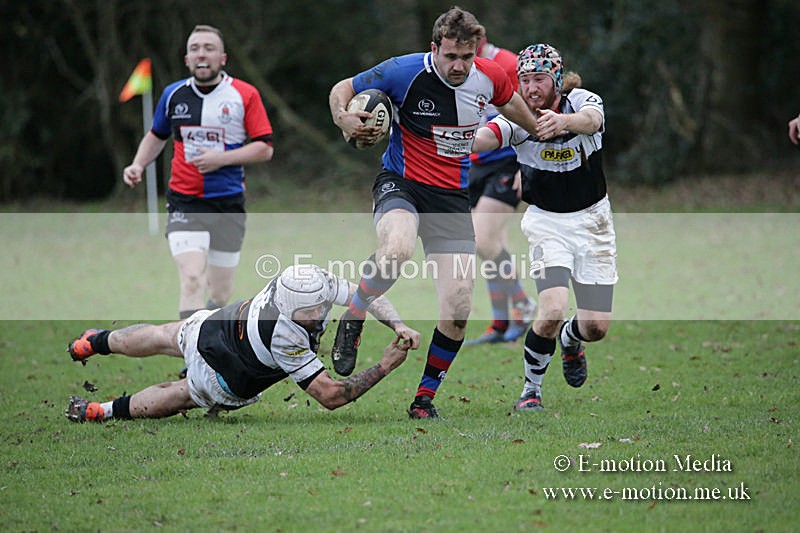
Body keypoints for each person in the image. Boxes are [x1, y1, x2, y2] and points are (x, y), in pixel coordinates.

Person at [327, 7, 541, 419]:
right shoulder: (402, 71)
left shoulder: (491, 74)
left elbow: (512, 104)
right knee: (398, 250)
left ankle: (423, 399)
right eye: (451, 57)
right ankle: (353, 317)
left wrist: (538, 130)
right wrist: (344, 118)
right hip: (401, 182)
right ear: (434, 50)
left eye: (467, 56)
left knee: (459, 309)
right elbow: (342, 88)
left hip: (450, 197)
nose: (459, 66)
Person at [65, 264, 421, 422]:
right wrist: (386, 365)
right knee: (180, 393)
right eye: (310, 313)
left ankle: (93, 343)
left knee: (161, 335)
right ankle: (104, 411)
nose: (319, 313)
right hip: (226, 376)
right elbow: (330, 396)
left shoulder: (304, 282)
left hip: (215, 326)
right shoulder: (286, 336)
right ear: (290, 309)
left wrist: (398, 323)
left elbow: (366, 295)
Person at [472, 43, 618, 411]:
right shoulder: (518, 118)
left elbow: (593, 120)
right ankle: (530, 391)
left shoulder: (581, 100)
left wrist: (563, 123)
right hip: (546, 222)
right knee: (551, 308)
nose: (531, 87)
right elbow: (484, 137)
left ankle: (571, 340)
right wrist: (450, 134)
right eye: (524, 80)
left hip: (593, 221)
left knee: (596, 327)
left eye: (538, 78)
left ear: (556, 78)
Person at [123, 25, 274, 319]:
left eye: (208, 48)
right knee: (192, 278)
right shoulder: (173, 95)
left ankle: (203, 337)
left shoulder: (244, 94)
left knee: (220, 292)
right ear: (187, 59)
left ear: (223, 58)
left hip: (227, 203)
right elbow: (157, 136)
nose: (201, 54)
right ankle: (191, 357)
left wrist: (221, 159)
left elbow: (265, 148)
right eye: (195, 49)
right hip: (185, 201)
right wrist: (138, 164)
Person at [465, 38, 536, 345]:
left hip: (508, 162)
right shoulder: (454, 69)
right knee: (492, 245)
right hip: (476, 163)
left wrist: (527, 165)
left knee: (482, 240)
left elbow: (532, 113)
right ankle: (500, 324)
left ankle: (524, 304)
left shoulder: (506, 64)